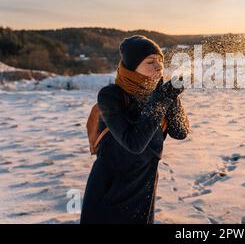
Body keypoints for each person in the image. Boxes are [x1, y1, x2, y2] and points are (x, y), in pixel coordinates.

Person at [80, 35, 190, 224]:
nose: (158, 66)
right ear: (132, 67)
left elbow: (180, 132)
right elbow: (134, 143)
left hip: (143, 189)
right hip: (111, 192)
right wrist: (162, 99)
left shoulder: (158, 95)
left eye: (160, 61)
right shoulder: (110, 96)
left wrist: (173, 98)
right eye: (150, 62)